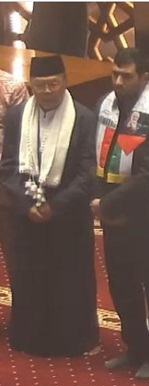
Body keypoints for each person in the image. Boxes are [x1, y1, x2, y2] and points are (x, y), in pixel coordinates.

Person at [0, 55, 99, 356]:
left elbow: (87, 173)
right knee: (29, 276)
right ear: (32, 86)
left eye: (53, 84)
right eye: (40, 86)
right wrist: (26, 203)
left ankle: (72, 340)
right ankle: (30, 337)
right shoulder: (17, 116)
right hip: (26, 213)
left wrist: (54, 207)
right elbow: (8, 168)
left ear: (64, 82)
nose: (46, 91)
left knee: (70, 278)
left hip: (68, 214)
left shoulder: (83, 118)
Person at [94, 48, 149, 379]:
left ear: (144, 77)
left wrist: (109, 204)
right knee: (121, 285)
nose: (117, 82)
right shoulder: (107, 106)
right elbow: (95, 158)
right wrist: (102, 203)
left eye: (125, 76)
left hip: (146, 218)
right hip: (111, 216)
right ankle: (134, 346)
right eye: (114, 74)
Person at [0, 69, 29, 279]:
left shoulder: (12, 87)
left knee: (17, 255)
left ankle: (25, 308)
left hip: (5, 182)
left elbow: (25, 141)